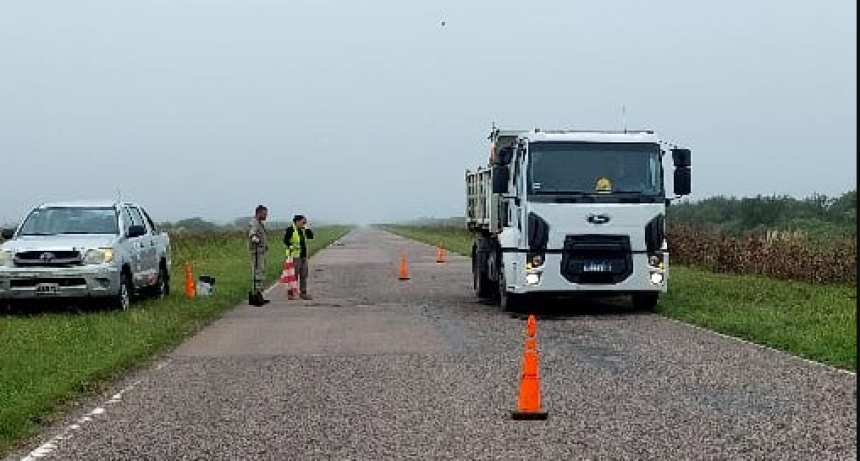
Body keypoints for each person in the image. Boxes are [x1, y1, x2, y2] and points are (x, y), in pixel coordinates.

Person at [283, 214, 315, 300]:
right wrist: (291, 246)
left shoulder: (303, 229)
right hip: (294, 256)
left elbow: (311, 236)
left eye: (305, 222)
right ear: (297, 221)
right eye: (302, 222)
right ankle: (291, 293)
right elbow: (285, 240)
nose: (304, 223)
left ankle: (303, 293)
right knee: (293, 276)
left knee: (304, 275)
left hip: (303, 256)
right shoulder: (290, 229)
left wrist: (307, 227)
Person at [248, 205, 270, 306]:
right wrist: (254, 238)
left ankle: (258, 294)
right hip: (256, 252)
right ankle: (255, 296)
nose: (266, 216)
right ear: (259, 213)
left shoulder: (260, 223)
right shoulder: (254, 222)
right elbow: (252, 232)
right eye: (264, 214)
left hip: (261, 252)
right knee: (257, 273)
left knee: (260, 272)